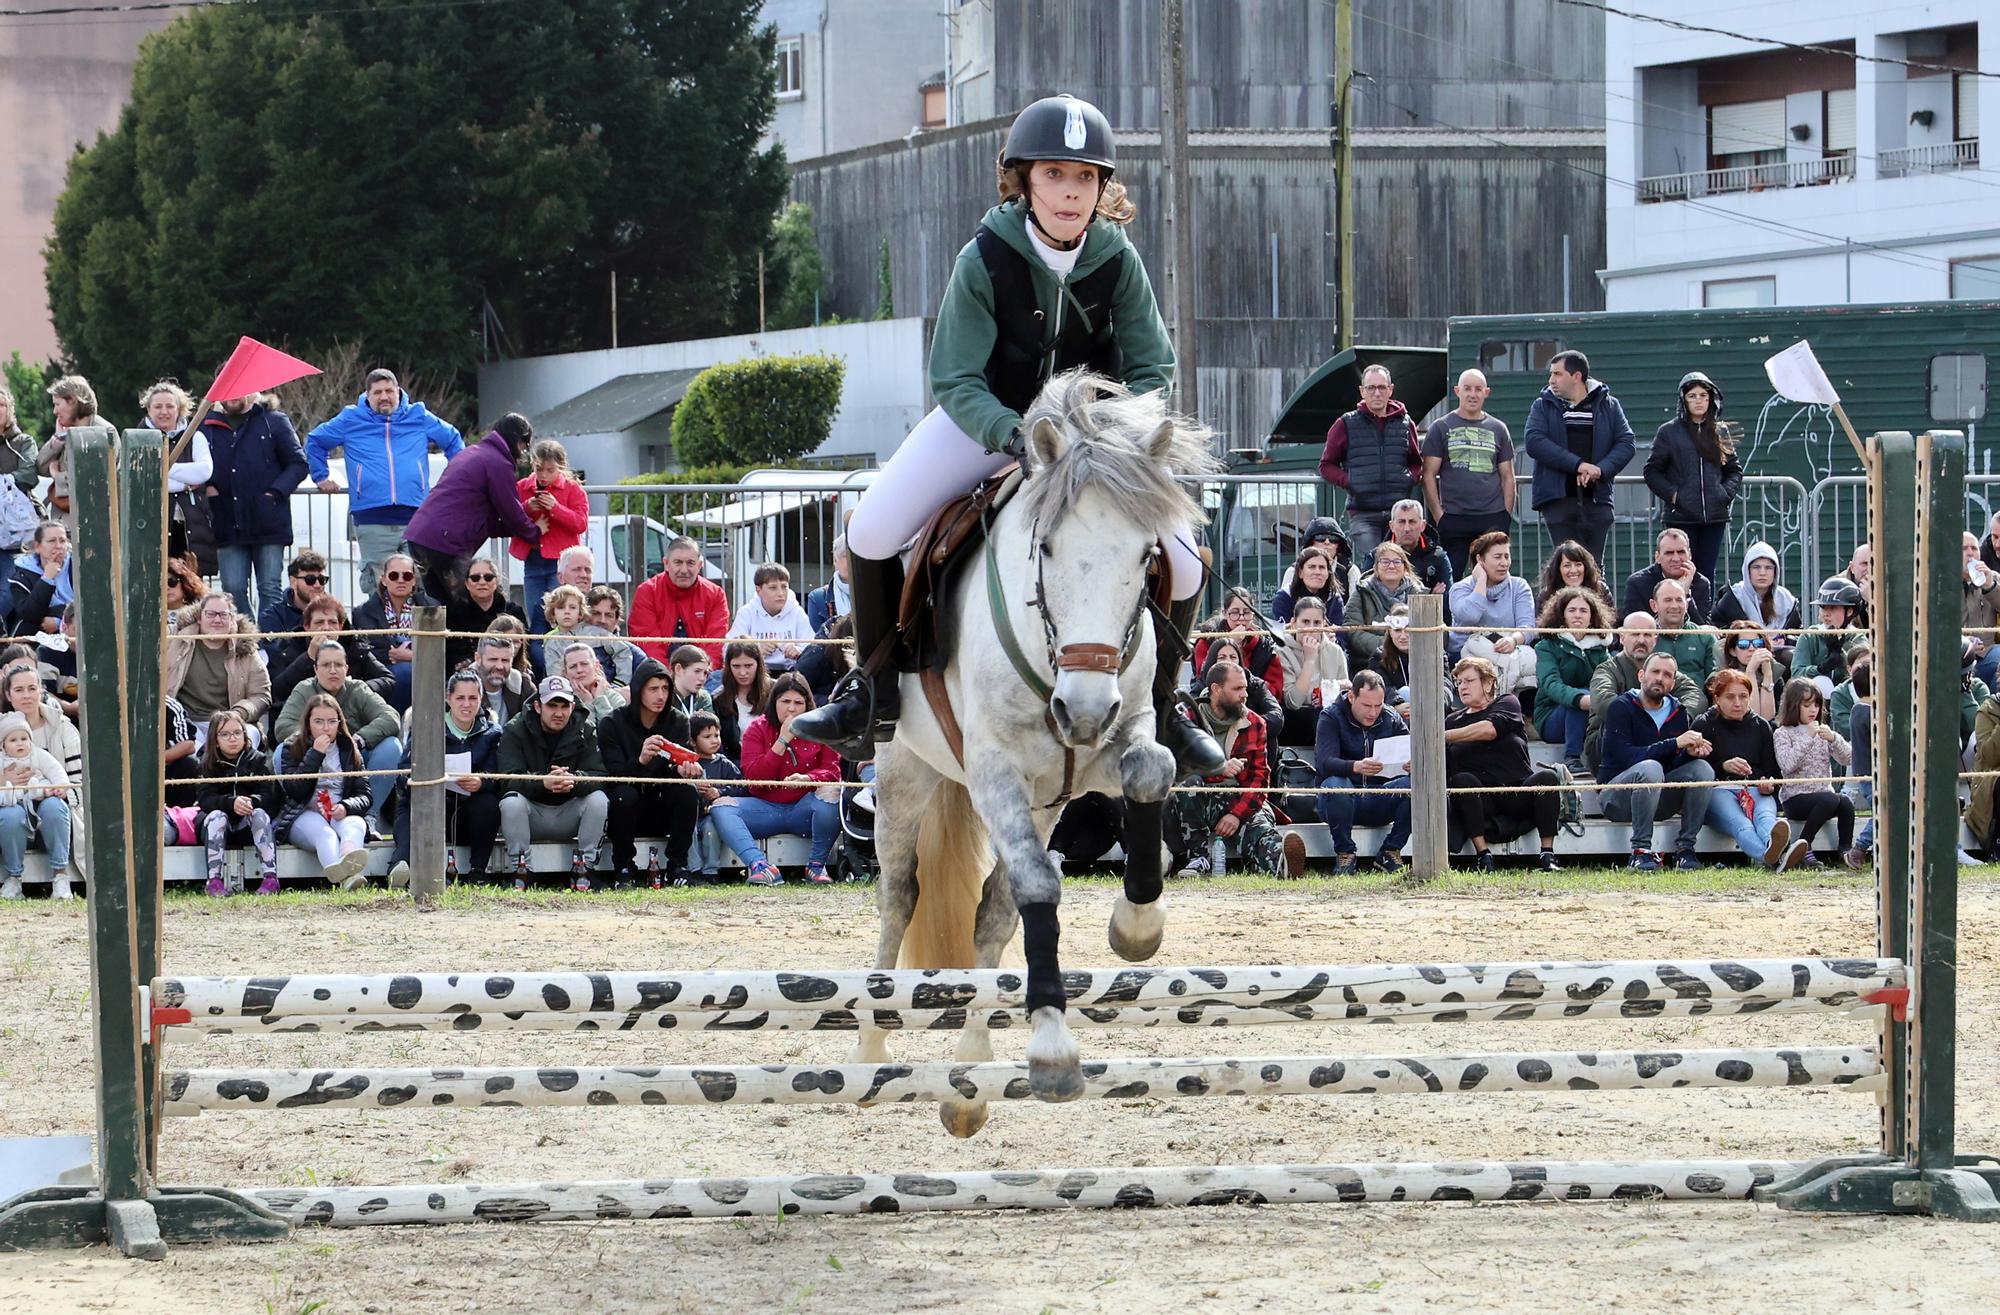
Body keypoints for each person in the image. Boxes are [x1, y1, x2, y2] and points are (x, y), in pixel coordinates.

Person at [790, 94, 1218, 778]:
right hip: (988, 424)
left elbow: (1152, 367)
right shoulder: (984, 256)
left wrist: (1115, 435)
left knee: (1189, 562)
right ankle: (868, 692)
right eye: (1055, 175)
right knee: (870, 529)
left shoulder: (1117, 259)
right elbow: (955, 377)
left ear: (1102, 188)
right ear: (1023, 179)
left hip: (1091, 447)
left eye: (1085, 178)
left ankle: (1168, 704)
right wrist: (1011, 433)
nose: (1071, 192)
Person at [307, 368, 466, 596]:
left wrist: (454, 479)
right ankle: (383, 631)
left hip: (417, 518)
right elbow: (315, 441)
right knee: (379, 584)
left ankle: (414, 632)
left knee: (420, 585)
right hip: (372, 518)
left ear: (398, 392)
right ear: (367, 395)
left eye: (389, 391)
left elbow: (452, 440)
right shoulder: (350, 418)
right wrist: (321, 476)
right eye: (378, 392)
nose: (384, 397)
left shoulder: (418, 415)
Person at [1167, 661, 1306, 878]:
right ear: (1216, 689)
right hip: (1198, 800)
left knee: (1260, 827)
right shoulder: (1187, 718)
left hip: (1240, 798)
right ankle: (1198, 857)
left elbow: (1260, 779)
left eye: (1245, 688)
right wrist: (1219, 769)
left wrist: (1235, 815)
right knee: (1189, 783)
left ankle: (1281, 862)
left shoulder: (1256, 723)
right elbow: (1179, 768)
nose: (1244, 695)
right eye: (1237, 689)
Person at [711, 672, 841, 886]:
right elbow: (753, 777)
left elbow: (833, 771)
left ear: (808, 705)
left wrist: (808, 778)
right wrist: (782, 741)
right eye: (785, 701)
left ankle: (817, 865)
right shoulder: (757, 728)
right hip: (765, 808)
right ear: (774, 702)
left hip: (805, 809)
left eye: (798, 703)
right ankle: (760, 866)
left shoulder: (820, 729)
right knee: (721, 807)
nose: (791, 708)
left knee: (833, 792)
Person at [1596, 650, 1716, 870]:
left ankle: (1685, 850)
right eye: (1655, 672)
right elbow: (1625, 757)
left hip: (1657, 798)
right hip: (1617, 797)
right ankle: (1640, 851)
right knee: (1650, 768)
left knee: (1702, 769)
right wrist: (1675, 744)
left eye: (1668, 675)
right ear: (1642, 675)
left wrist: (1687, 754)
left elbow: (1670, 764)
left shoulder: (1679, 711)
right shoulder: (1620, 707)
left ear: (1672, 683)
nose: (1660, 678)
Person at [404, 413, 542, 604]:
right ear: (516, 439)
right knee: (470, 602)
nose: (523, 450)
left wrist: (522, 516)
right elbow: (510, 511)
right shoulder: (497, 462)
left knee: (434, 606)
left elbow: (491, 520)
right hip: (447, 542)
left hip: (421, 536)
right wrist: (536, 534)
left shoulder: (473, 453)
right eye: (524, 444)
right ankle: (470, 635)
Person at [385, 669, 504, 889]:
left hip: (466, 812)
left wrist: (481, 782)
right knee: (413, 811)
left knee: (489, 804)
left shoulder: (493, 732)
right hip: (427, 804)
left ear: (481, 699)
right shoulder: (425, 728)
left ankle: (478, 872)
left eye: (472, 698)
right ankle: (398, 869)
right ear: (448, 698)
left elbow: (498, 777)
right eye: (460, 698)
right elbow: (402, 771)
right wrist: (412, 782)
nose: (466, 704)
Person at [1444, 656, 1562, 872]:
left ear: (1488, 683)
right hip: (1483, 798)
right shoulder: (1452, 721)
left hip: (1516, 791)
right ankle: (1483, 855)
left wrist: (1444, 736)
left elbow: (1490, 730)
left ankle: (1547, 854)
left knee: (1547, 779)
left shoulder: (1507, 702)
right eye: (1459, 682)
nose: (1463, 687)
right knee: (1461, 780)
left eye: (1469, 681)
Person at [200, 388, 309, 621]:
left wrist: (275, 493)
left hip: (268, 520)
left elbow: (298, 464)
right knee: (233, 588)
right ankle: (250, 639)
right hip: (225, 520)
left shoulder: (275, 421)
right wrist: (207, 486)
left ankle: (271, 642)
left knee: (269, 587)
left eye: (240, 387)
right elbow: (196, 463)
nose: (233, 393)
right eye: (227, 387)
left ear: (253, 391)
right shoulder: (205, 425)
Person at [495, 675, 610, 890]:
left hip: (570, 811)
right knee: (511, 802)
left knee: (598, 799)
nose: (559, 713)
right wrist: (542, 782)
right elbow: (506, 779)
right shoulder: (514, 729)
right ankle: (521, 871)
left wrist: (574, 781)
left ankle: (585, 869)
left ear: (572, 706)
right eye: (552, 705)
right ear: (538, 706)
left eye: (564, 706)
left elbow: (600, 776)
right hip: (531, 814)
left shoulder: (587, 728)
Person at [272, 640, 403, 826]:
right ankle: (298, 815)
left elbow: (391, 717)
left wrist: (357, 740)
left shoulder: (358, 689)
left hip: (351, 762)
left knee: (391, 747)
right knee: (280, 752)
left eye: (338, 665)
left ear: (347, 668)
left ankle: (369, 816)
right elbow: (283, 726)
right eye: (326, 665)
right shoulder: (304, 689)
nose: (332, 670)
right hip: (313, 760)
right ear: (316, 669)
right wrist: (316, 744)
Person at [1524, 349, 1634, 565]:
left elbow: (1626, 443)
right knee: (1566, 567)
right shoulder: (1542, 405)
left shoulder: (1609, 405)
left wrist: (1600, 470)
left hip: (1597, 500)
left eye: (1557, 374)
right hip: (1557, 501)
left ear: (1576, 376)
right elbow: (1534, 441)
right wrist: (1578, 465)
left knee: (1594, 569)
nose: (1551, 380)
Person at [598, 658, 701, 886]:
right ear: (638, 691)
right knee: (624, 795)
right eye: (653, 689)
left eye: (665, 688)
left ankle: (678, 867)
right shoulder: (612, 724)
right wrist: (641, 760)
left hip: (661, 802)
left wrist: (684, 771)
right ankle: (624, 868)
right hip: (625, 807)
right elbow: (613, 776)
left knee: (687, 793)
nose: (660, 696)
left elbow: (675, 770)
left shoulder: (678, 721)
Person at [1690, 668, 1799, 870]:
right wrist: (1722, 765)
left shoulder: (1761, 726)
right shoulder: (1703, 724)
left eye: (1743, 696)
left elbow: (1772, 771)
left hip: (1755, 789)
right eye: (1730, 697)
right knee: (1742, 825)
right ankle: (1774, 857)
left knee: (1766, 818)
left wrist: (1768, 783)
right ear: (1717, 699)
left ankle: (1774, 849)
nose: (1737, 703)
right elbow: (1693, 767)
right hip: (1718, 790)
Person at [1643, 371, 1742, 586]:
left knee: (1706, 573)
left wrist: (1723, 494)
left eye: (1703, 396)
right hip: (1681, 517)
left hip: (1714, 517)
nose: (1699, 401)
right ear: (1684, 400)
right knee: (1678, 570)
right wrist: (1675, 496)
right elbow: (1652, 471)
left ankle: (1704, 617)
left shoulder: (1720, 431)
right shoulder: (1668, 432)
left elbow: (1734, 470)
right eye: (1692, 396)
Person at [1319, 366, 1422, 562]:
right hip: (1363, 513)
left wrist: (1408, 478)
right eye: (1371, 387)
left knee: (1402, 567)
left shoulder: (1406, 424)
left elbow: (1417, 462)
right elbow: (1326, 465)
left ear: (1390, 390)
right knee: (1374, 565)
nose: (1377, 393)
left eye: (1382, 387)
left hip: (1398, 513)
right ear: (1362, 391)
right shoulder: (1345, 424)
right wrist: (1350, 481)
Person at [1313, 670, 1411, 874]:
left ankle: (1390, 850)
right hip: (1342, 799)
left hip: (1380, 795)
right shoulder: (1331, 716)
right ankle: (1345, 853)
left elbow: (1410, 749)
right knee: (1335, 785)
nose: (1373, 712)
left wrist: (1412, 764)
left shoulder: (1392, 717)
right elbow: (1325, 762)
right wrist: (1355, 766)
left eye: (1378, 705)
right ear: (1351, 697)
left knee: (1417, 785)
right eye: (1367, 705)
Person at [1583, 616, 1707, 776]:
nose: (1641, 640)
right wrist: (1643, 721)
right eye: (1635, 634)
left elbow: (1696, 695)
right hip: (1610, 749)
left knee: (1702, 768)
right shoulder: (1607, 670)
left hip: (1656, 745)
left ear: (1655, 640)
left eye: (1647, 635)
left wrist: (1679, 718)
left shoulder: (1662, 672)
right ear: (1622, 637)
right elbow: (1603, 702)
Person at [272, 691, 373, 889]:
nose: (326, 728)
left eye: (331, 721)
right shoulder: (291, 747)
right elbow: (295, 791)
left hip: (338, 811)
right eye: (318, 722)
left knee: (355, 824)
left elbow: (365, 794)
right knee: (325, 834)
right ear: (308, 722)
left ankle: (348, 863)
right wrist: (315, 754)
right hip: (303, 813)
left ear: (339, 722)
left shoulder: (349, 748)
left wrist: (346, 806)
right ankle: (344, 877)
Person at [1422, 368, 1516, 573]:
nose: (1472, 394)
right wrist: (1440, 516)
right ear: (1457, 391)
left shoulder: (1498, 429)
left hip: (1492, 516)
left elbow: (1508, 475)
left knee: (1494, 578)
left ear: (1486, 392)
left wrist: (1505, 515)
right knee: (1451, 580)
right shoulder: (1440, 427)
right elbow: (1428, 474)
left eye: (1478, 389)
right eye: (1467, 389)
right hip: (1454, 517)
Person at [1773, 678, 1859, 869]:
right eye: (1807, 705)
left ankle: (1845, 849)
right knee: (1829, 799)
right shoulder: (1782, 733)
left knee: (1844, 802)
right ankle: (1803, 846)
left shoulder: (1823, 731)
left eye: (1817, 704)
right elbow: (1787, 765)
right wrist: (1808, 737)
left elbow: (1849, 759)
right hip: (1795, 798)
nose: (1813, 710)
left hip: (1824, 797)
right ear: (1794, 706)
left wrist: (1835, 739)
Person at [165, 593, 273, 742]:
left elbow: (261, 695)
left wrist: (238, 714)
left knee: (249, 735)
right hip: (184, 722)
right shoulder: (174, 637)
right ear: (199, 618)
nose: (217, 620)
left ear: (232, 619)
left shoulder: (246, 649)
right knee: (191, 752)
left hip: (229, 724)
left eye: (223, 615)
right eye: (210, 614)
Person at [195, 709, 279, 897]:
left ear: (245, 735)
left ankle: (270, 877)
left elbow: (272, 797)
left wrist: (251, 802)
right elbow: (204, 800)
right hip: (216, 828)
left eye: (237, 733)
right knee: (217, 816)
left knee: (259, 814)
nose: (232, 739)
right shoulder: (205, 763)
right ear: (215, 739)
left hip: (247, 828)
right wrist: (230, 803)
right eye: (224, 734)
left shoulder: (260, 760)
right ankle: (214, 881)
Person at [1532, 585, 1613, 774]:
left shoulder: (1600, 649)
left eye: (1584, 610)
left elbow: (1607, 680)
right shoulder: (1546, 646)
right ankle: (1572, 758)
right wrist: (1580, 699)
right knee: (1578, 701)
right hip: (1552, 717)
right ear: (1563, 615)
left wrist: (1598, 700)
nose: (1578, 615)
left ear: (1592, 617)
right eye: (1572, 610)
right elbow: (1550, 684)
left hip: (1592, 712)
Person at [270, 592, 395, 716]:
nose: (326, 628)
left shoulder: (354, 645)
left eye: (332, 622)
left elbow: (387, 679)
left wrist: (356, 691)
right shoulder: (288, 647)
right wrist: (308, 658)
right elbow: (276, 690)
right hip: (303, 720)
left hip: (349, 719)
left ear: (340, 626)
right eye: (319, 622)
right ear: (307, 627)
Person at [1445, 531, 1536, 695]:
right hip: (1468, 657)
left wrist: (1513, 640)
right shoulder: (1460, 588)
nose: (1504, 563)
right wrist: (1481, 581)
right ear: (1480, 560)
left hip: (1508, 653)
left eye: (1506, 556)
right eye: (1497, 557)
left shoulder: (1519, 586)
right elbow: (1470, 616)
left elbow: (1527, 627)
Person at [144, 381, 216, 575]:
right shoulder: (138, 438)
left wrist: (165, 468)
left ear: (179, 409)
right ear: (149, 409)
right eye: (157, 406)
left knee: (192, 582)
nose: (164, 412)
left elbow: (204, 472)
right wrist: (184, 483)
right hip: (153, 522)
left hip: (192, 522)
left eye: (169, 406)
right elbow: (143, 480)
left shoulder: (195, 437)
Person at [0, 707, 70, 899]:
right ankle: (14, 877)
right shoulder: (1, 760)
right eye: (13, 740)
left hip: (38, 804)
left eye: (24, 739)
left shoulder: (38, 755)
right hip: (12, 803)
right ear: (3, 745)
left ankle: (60, 876)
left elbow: (56, 770)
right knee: (10, 814)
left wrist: (60, 787)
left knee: (54, 806)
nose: (20, 744)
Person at [349, 552, 433, 712]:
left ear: (414, 580)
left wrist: (415, 656)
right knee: (403, 673)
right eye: (394, 575)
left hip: (425, 674)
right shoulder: (363, 612)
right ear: (384, 579)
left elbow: (440, 648)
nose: (401, 580)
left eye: (407, 576)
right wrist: (390, 655)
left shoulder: (431, 609)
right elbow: (363, 650)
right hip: (382, 675)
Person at [630, 536, 730, 667]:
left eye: (690, 563)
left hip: (703, 673)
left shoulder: (715, 594)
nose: (684, 570)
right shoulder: (647, 592)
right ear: (666, 564)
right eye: (678, 562)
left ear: (699, 565)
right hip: (658, 673)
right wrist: (666, 675)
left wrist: (700, 672)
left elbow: (715, 644)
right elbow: (647, 643)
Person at [1274, 595, 1350, 747]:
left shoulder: (1335, 651)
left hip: (1331, 717)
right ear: (1294, 623)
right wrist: (1310, 660)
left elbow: (1346, 691)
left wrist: (1329, 688)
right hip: (1298, 720)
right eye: (1305, 622)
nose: (1311, 628)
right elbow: (1293, 701)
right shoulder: (1281, 651)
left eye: (1317, 622)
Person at [1711, 542, 1801, 668]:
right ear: (1747, 570)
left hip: (1779, 658)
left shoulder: (1786, 600)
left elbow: (1798, 636)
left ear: (1776, 572)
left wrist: (1786, 640)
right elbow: (1720, 634)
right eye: (1756, 567)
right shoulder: (1732, 598)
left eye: (1768, 568)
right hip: (1740, 659)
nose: (1762, 573)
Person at [1192, 589, 1286, 706]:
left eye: (1247, 612)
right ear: (1225, 613)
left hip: (1253, 705)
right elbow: (1204, 677)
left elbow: (1275, 690)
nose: (1241, 618)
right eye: (1235, 613)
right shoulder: (1207, 640)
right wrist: (1231, 643)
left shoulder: (1264, 645)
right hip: (1214, 704)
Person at [685, 710, 741, 884]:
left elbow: (742, 786)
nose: (715, 740)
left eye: (717, 735)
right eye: (707, 736)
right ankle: (694, 870)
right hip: (691, 816)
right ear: (693, 741)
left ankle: (711, 871)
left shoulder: (724, 763)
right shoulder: (688, 763)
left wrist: (719, 792)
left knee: (712, 828)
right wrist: (693, 787)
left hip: (711, 815)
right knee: (688, 830)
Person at [727, 562, 814, 674]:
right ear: (759, 590)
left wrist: (798, 651)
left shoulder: (797, 612)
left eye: (784, 587)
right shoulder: (746, 613)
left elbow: (811, 648)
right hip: (755, 673)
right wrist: (755, 650)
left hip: (791, 672)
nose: (781, 593)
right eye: (773, 588)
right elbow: (728, 649)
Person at [444, 558, 526, 672]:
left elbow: (525, 650)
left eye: (488, 577)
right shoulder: (453, 614)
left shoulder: (514, 612)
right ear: (467, 584)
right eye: (475, 578)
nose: (482, 582)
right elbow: (453, 655)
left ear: (496, 581)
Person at [1621, 529, 1716, 626]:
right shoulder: (1638, 583)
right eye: (1669, 553)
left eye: (1681, 552)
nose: (1676, 559)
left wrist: (1685, 594)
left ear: (1690, 555)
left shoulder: (1701, 583)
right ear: (1657, 557)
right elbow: (1632, 627)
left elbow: (1703, 630)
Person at [39, 375, 98, 532]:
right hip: (64, 525)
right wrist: (58, 439)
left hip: (90, 527)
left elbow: (94, 484)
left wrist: (58, 477)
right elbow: (40, 467)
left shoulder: (102, 433)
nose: (54, 411)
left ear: (72, 400)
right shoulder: (67, 432)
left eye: (57, 404)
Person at [4, 661, 79, 782]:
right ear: (8, 695)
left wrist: (54, 792)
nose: (26, 695)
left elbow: (78, 782)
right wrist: (3, 781)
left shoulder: (64, 728)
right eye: (19, 690)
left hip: (56, 797)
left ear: (41, 691)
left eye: (32, 688)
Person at [1347, 541, 1417, 669]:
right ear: (1376, 567)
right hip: (1370, 662)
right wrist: (1390, 644)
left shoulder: (1419, 593)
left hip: (1414, 661)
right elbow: (1353, 631)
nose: (1391, 566)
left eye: (1397, 562)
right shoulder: (1361, 592)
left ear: (1405, 567)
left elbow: (1438, 630)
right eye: (1385, 561)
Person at [1791, 578, 1867, 692]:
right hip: (1814, 700)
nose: (1826, 613)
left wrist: (1841, 656)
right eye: (1823, 607)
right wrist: (1821, 668)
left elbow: (1865, 674)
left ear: (1850, 611)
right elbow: (1796, 674)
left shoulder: (1857, 637)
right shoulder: (1809, 636)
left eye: (1833, 607)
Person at [258, 550, 332, 668]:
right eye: (310, 579)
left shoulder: (334, 612)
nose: (318, 585)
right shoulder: (272, 616)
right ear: (293, 582)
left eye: (322, 580)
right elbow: (278, 658)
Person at [1650, 577, 1720, 694]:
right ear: (1654, 605)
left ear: (1687, 604)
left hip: (1696, 700)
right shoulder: (1645, 636)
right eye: (1668, 600)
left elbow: (1715, 674)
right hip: (1654, 697)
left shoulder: (1704, 637)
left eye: (1679, 600)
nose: (1674, 605)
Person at [1370, 500, 1454, 595]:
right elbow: (1367, 595)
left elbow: (1448, 601)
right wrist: (1429, 596)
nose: (1407, 528)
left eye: (1412, 522)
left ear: (1423, 526)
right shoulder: (1375, 557)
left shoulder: (1438, 557)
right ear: (1392, 526)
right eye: (1401, 522)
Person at [8, 520, 70, 638]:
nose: (58, 546)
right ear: (37, 547)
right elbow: (29, 614)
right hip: (39, 632)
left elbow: (89, 604)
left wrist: (59, 621)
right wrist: (46, 579)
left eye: (62, 541)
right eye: (52, 541)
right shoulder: (22, 575)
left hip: (74, 629)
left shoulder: (77, 566)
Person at [1269, 546, 1347, 631]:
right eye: (1312, 567)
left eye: (1322, 567)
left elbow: (1341, 636)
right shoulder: (1284, 597)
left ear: (1328, 573)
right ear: (1300, 572)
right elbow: (1282, 635)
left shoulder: (1334, 599)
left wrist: (1331, 640)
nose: (1317, 572)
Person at [1719, 620, 1782, 721]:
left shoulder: (1774, 673)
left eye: (1757, 643)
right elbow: (1751, 719)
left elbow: (1767, 718)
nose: (1752, 648)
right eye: (1744, 644)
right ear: (1733, 651)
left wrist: (1768, 675)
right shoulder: (1725, 678)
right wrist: (1750, 672)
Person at [1962, 532, 2000, 691]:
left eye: (1974, 548)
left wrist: (1990, 586)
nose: (1970, 553)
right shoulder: (1941, 583)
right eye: (1963, 548)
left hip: (1988, 655)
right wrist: (1964, 642)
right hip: (1957, 658)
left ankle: (1992, 709)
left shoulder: (1993, 577)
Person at [471, 634, 531, 726]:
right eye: (493, 660)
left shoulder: (522, 682)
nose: (499, 666)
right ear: (478, 658)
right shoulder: (462, 685)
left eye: (505, 660)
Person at [1536, 540, 1613, 611]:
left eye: (1578, 564)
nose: (1573, 570)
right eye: (1567, 565)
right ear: (1558, 569)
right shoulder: (1546, 595)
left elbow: (1612, 622)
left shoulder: (1601, 590)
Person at [585, 585, 637, 686]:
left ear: (617, 620)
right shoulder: (568, 641)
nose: (602, 620)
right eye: (596, 613)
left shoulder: (635, 655)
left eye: (609, 615)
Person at [561, 644, 625, 721]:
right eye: (573, 666)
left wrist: (600, 699)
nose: (579, 670)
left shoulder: (614, 698)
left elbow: (612, 730)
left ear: (596, 666)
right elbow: (583, 732)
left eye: (584, 664)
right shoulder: (562, 701)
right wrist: (587, 704)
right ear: (566, 673)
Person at [806, 536, 852, 635]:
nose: (852, 561)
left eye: (857, 556)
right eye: (846, 556)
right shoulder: (818, 598)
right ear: (835, 560)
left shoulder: (877, 593)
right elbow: (822, 642)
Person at [1828, 541, 1872, 630]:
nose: (1869, 569)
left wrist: (1871, 600)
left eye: (1873, 563)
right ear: (1852, 568)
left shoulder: (1885, 584)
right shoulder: (1836, 586)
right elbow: (1830, 624)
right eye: (1864, 564)